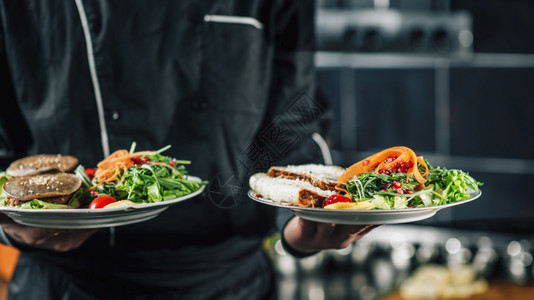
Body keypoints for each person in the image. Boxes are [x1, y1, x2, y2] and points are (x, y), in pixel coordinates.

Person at [0, 1, 375, 299]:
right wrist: (14, 226)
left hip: (227, 283)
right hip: (65, 283)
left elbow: (294, 117)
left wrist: (304, 222)